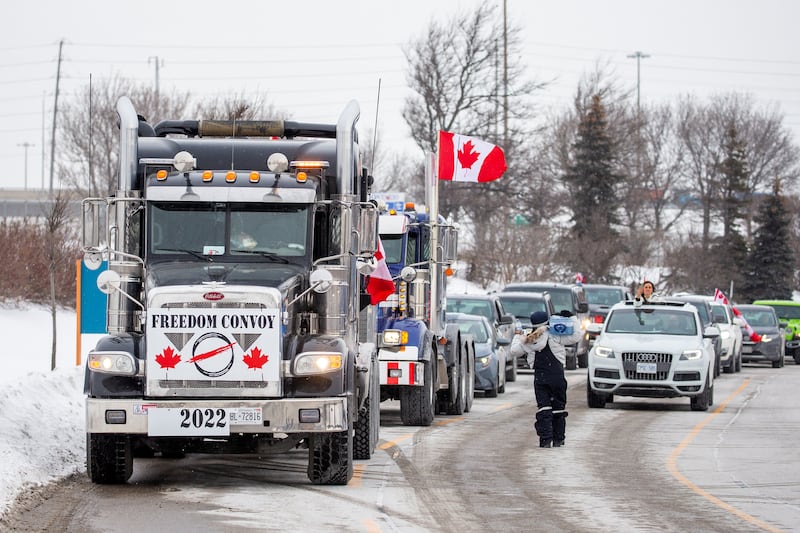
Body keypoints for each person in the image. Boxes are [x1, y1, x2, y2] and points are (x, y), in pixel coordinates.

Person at [510, 310, 582, 448]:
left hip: (540, 378)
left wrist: (518, 334)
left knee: (544, 408)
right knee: (558, 408)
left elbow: (514, 351)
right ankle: (558, 439)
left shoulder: (529, 339)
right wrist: (572, 317)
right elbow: (576, 335)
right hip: (557, 376)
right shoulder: (555, 335)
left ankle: (545, 439)